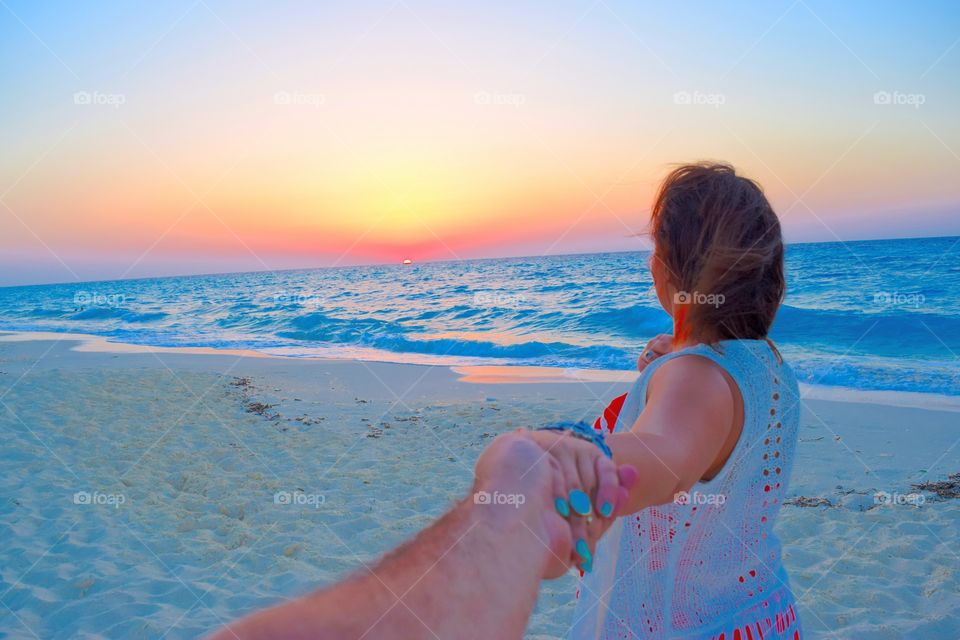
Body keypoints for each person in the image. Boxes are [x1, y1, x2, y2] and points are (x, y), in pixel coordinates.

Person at [529, 162, 803, 639]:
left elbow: (667, 457)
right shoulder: (766, 369)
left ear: (670, 268)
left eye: (656, 246)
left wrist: (564, 457)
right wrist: (676, 354)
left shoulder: (695, 377)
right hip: (759, 614)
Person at [208, 429, 639, 639]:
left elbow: (663, 445)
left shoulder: (691, 375)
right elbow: (661, 447)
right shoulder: (686, 370)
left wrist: (514, 487)